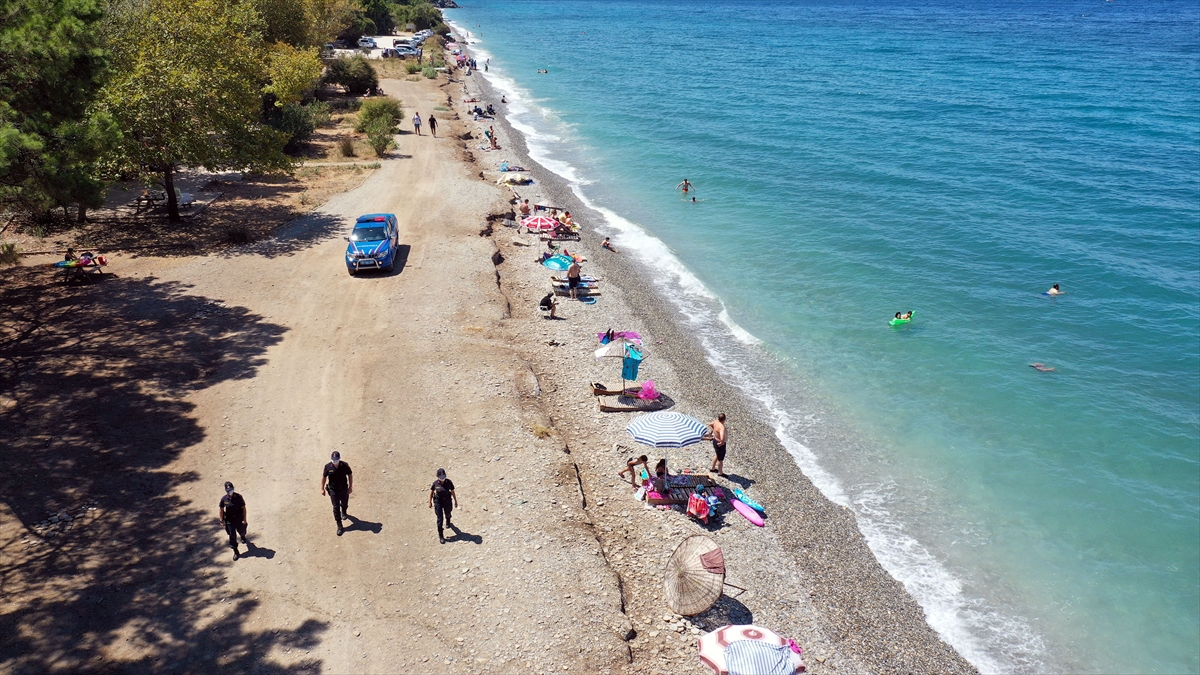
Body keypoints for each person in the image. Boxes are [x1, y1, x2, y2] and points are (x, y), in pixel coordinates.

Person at [320, 451, 353, 536]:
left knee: (344, 503)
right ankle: (339, 525)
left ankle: (344, 512)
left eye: (336, 460)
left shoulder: (344, 465)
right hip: (333, 490)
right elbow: (323, 477)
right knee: (336, 507)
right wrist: (322, 489)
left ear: (339, 459)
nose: (335, 461)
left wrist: (350, 487)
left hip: (343, 489)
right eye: (333, 460)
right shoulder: (327, 467)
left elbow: (350, 475)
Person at [219, 481, 248, 560]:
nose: (230, 491)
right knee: (232, 535)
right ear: (226, 490)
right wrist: (221, 520)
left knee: (242, 530)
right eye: (228, 490)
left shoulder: (238, 497)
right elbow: (221, 509)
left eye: (231, 489)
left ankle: (243, 536)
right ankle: (236, 551)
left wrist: (244, 519)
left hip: (239, 518)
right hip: (229, 520)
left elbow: (244, 508)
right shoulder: (224, 499)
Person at [429, 468, 458, 543]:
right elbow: (432, 492)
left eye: (443, 476)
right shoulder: (435, 483)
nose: (442, 478)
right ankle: (441, 535)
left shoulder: (449, 482)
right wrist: (430, 502)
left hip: (447, 500)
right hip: (438, 501)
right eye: (441, 477)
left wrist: (455, 501)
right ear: (438, 476)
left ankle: (448, 521)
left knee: (448, 512)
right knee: (440, 519)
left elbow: (452, 491)